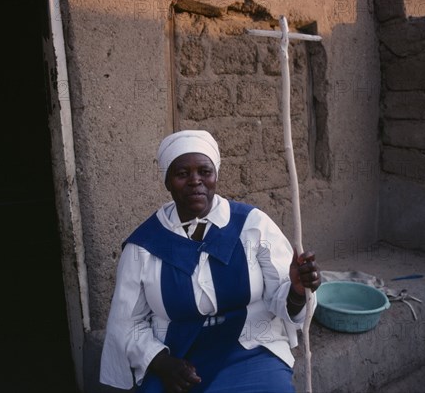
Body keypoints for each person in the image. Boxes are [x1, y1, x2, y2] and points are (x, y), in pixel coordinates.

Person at [100, 130, 321, 393]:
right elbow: (129, 322)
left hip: (251, 345)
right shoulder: (144, 246)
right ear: (167, 182)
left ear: (215, 176)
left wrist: (297, 290)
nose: (195, 182)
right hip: (177, 355)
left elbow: (281, 297)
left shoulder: (252, 226)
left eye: (204, 172)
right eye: (182, 174)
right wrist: (161, 362)